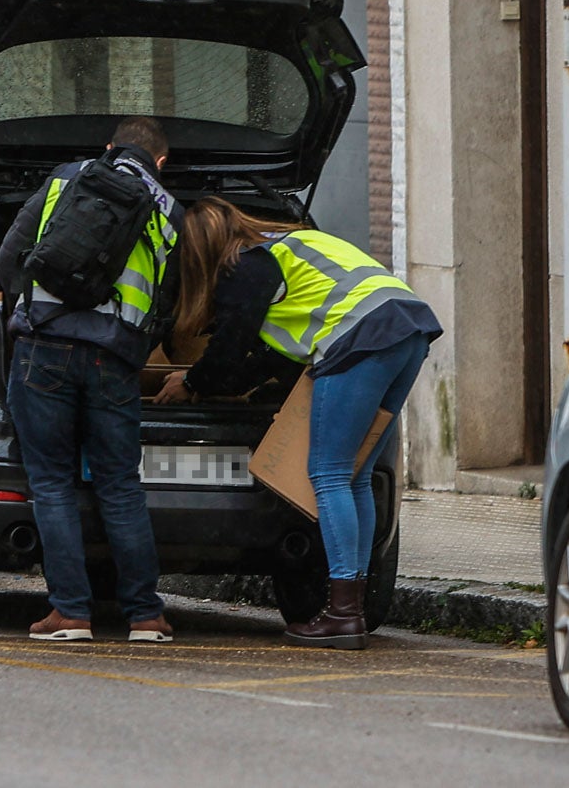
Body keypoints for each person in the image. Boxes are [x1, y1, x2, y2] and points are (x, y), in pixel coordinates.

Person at [153, 196, 442, 649]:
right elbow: (270, 357)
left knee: (328, 473)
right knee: (357, 476)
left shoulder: (245, 267)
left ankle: (343, 612)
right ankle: (354, 607)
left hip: (360, 337)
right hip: (408, 328)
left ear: (197, 250)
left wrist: (192, 381)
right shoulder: (288, 245)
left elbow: (231, 345)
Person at [0, 116, 183, 642]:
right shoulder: (169, 211)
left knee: (52, 483)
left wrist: (25, 314)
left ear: (108, 148)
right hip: (115, 360)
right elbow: (168, 303)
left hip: (45, 348)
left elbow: (10, 253)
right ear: (161, 163)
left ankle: (72, 613)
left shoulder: (66, 178)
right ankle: (146, 615)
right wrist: (132, 345)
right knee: (121, 486)